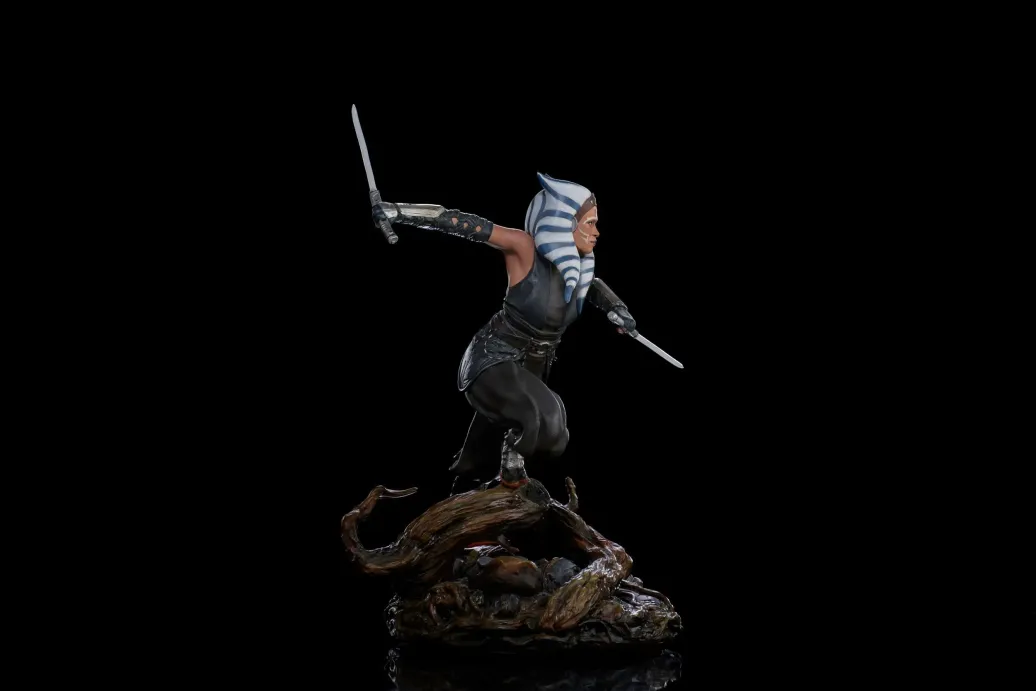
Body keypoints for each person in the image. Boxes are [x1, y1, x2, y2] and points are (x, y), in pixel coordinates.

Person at [372, 173, 638, 490]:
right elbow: (462, 223)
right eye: (590, 223)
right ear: (564, 222)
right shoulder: (524, 248)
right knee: (545, 419)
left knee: (548, 435)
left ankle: (495, 476)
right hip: (494, 358)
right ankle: (510, 463)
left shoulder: (576, 270)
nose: (596, 232)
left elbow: (593, 287)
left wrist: (617, 308)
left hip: (531, 368)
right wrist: (398, 211)